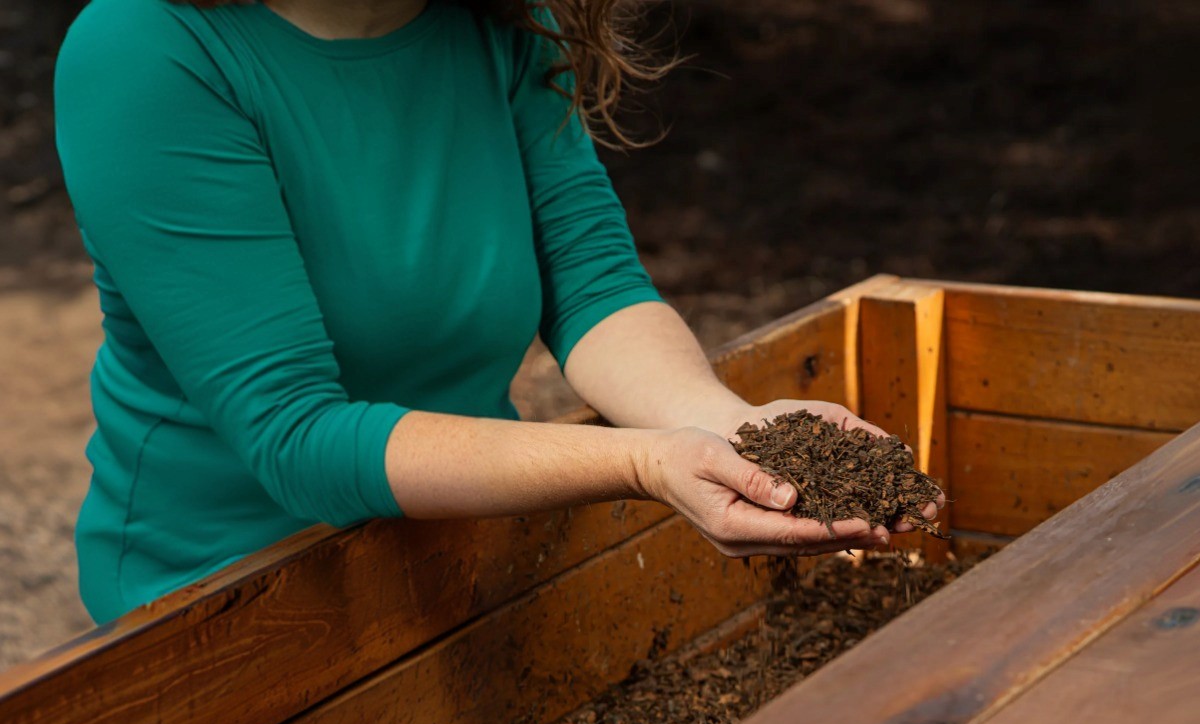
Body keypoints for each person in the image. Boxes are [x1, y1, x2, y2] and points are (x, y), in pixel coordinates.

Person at [54, 0, 934, 624]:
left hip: (457, 568)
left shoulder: (501, 20)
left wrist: (733, 436)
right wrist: (648, 463)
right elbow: (295, 436)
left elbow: (592, 289)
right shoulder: (145, 50)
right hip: (221, 601)